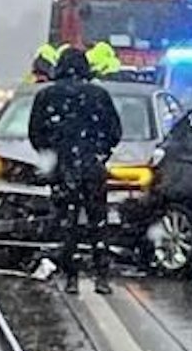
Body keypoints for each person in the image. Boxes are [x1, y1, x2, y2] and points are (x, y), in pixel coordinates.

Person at [28, 47, 122, 295]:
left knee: (68, 222)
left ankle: (71, 276)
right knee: (97, 221)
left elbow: (35, 133)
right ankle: (101, 275)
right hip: (92, 167)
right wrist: (100, 152)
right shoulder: (99, 95)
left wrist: (52, 155)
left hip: (63, 167)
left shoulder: (47, 96)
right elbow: (114, 131)